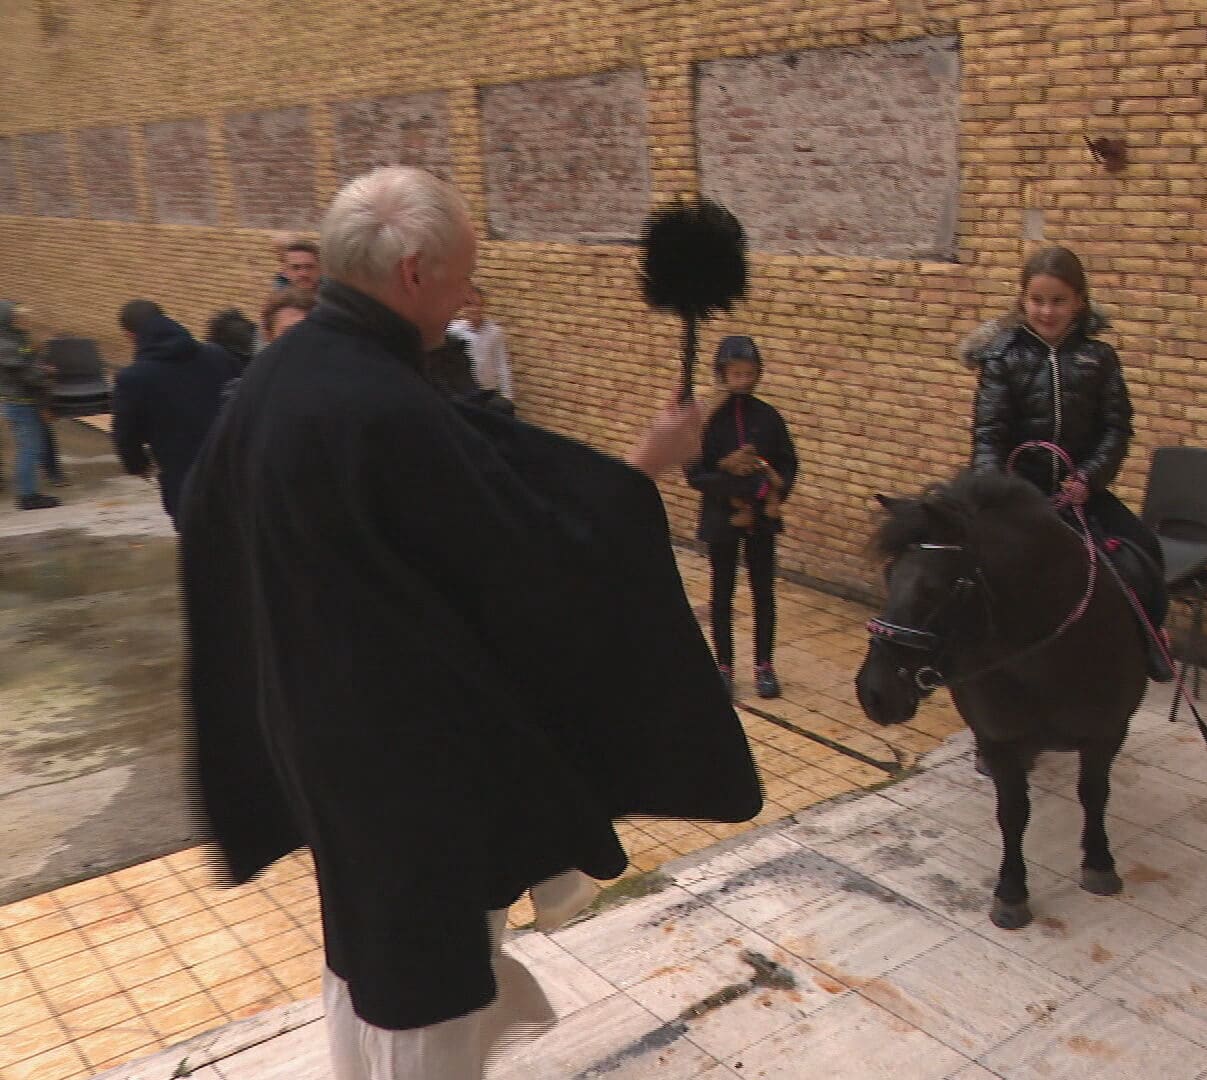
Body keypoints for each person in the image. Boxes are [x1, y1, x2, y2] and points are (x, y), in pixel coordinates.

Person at [178, 166, 761, 1080]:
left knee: (363, 952)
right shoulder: (379, 402)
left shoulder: (281, 378)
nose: (464, 299)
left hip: (318, 734)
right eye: (460, 277)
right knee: (427, 981)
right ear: (413, 272)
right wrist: (642, 468)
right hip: (405, 766)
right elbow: (526, 555)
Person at [963, 245, 1172, 681]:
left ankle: (1150, 640)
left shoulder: (1099, 359)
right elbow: (989, 435)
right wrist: (998, 493)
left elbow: (1117, 429)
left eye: (1058, 301)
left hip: (1079, 491)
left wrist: (1089, 479)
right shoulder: (1003, 359)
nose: (1047, 311)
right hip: (1020, 493)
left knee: (1143, 548)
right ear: (1023, 299)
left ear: (1079, 301)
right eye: (1038, 300)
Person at [685, 335, 798, 700]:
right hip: (722, 517)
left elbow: (788, 462)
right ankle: (724, 666)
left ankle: (764, 665)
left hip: (763, 518)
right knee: (722, 593)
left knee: (764, 592)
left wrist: (771, 491)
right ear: (722, 373)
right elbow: (695, 474)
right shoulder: (705, 420)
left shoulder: (768, 417)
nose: (743, 381)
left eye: (750, 374)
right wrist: (735, 485)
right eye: (736, 373)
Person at [109, 300, 242, 525]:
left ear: (130, 335)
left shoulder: (133, 379)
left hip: (186, 482)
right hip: (237, 472)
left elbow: (126, 432)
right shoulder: (218, 355)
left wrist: (136, 464)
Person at [1, 301, 62, 510]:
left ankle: (29, 493)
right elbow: (28, 375)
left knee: (33, 447)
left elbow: (29, 363)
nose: (25, 321)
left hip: (24, 403)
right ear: (8, 321)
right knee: (30, 449)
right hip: (22, 405)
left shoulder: (16, 340)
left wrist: (40, 365)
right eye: (20, 318)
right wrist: (47, 373)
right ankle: (28, 496)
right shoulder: (7, 346)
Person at [447, 285, 512, 401]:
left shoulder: (495, 332)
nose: (474, 309)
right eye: (470, 304)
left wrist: (507, 396)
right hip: (464, 391)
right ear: (463, 306)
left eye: (478, 305)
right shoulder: (453, 331)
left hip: (489, 390)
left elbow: (501, 364)